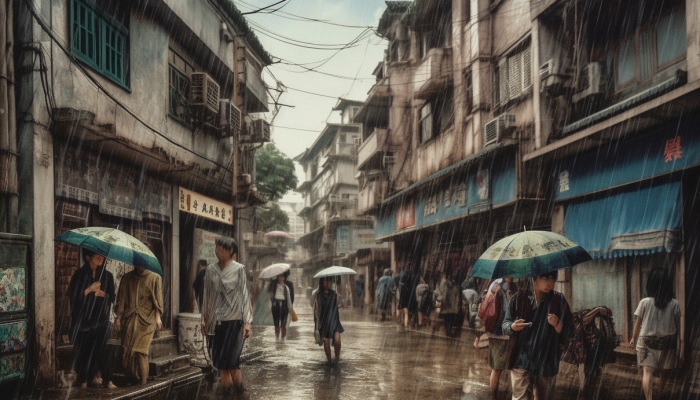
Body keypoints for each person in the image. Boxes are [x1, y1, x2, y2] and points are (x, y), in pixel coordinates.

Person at [503, 272, 572, 400]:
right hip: (521, 358)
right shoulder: (519, 299)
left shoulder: (558, 300)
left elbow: (569, 330)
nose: (550, 282)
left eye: (553, 278)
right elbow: (505, 324)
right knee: (521, 397)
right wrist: (513, 326)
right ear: (534, 279)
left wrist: (558, 325)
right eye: (545, 278)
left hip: (546, 360)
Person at [201, 237, 252, 391]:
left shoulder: (239, 269)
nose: (219, 250)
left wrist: (247, 322)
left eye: (223, 248)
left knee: (232, 364)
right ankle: (230, 393)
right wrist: (204, 320)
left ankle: (237, 393)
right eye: (218, 247)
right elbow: (207, 296)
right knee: (222, 364)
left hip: (235, 322)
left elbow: (245, 295)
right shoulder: (211, 270)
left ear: (231, 252)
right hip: (217, 323)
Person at [67, 249, 117, 389]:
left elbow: (112, 296)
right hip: (84, 321)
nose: (101, 259)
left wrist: (104, 294)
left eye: (102, 256)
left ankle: (108, 380)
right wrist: (89, 289)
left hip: (101, 319)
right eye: (97, 256)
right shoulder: (79, 274)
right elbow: (73, 296)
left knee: (102, 350)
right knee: (84, 351)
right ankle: (83, 381)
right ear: (88, 257)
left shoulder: (107, 276)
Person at [630, 267, 681, 400]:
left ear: (651, 284)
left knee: (647, 373)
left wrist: (633, 338)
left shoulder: (644, 302)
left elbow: (638, 323)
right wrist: (679, 343)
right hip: (667, 342)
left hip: (647, 341)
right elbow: (677, 325)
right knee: (664, 373)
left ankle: (649, 398)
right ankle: (660, 394)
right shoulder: (675, 304)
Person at [114, 264, 163, 385]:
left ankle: (143, 383)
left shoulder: (155, 278)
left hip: (147, 321)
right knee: (127, 351)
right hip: (130, 319)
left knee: (141, 350)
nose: (140, 266)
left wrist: (158, 317)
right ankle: (133, 378)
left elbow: (158, 300)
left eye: (143, 263)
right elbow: (122, 299)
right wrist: (118, 317)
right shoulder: (127, 278)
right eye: (138, 263)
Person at [478, 279, 509, 400]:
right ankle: (494, 396)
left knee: (498, 367)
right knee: (498, 367)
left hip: (498, 331)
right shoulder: (500, 285)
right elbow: (506, 310)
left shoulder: (495, 284)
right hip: (500, 332)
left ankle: (495, 395)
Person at [314, 276, 344, 364]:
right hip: (323, 322)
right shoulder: (318, 295)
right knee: (326, 342)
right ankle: (329, 362)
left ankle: (337, 358)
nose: (328, 283)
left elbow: (339, 306)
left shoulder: (334, 294)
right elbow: (316, 312)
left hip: (334, 321)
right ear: (322, 282)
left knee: (337, 340)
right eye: (325, 281)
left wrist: (339, 300)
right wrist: (316, 328)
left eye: (329, 281)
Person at [269, 274, 292, 340]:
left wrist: (290, 308)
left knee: (283, 324)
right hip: (276, 305)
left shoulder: (286, 288)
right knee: (276, 323)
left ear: (284, 278)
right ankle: (277, 337)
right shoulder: (274, 286)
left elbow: (288, 298)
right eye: (280, 276)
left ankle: (282, 339)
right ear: (277, 277)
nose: (281, 278)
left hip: (284, 306)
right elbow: (271, 296)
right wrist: (272, 304)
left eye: (282, 277)